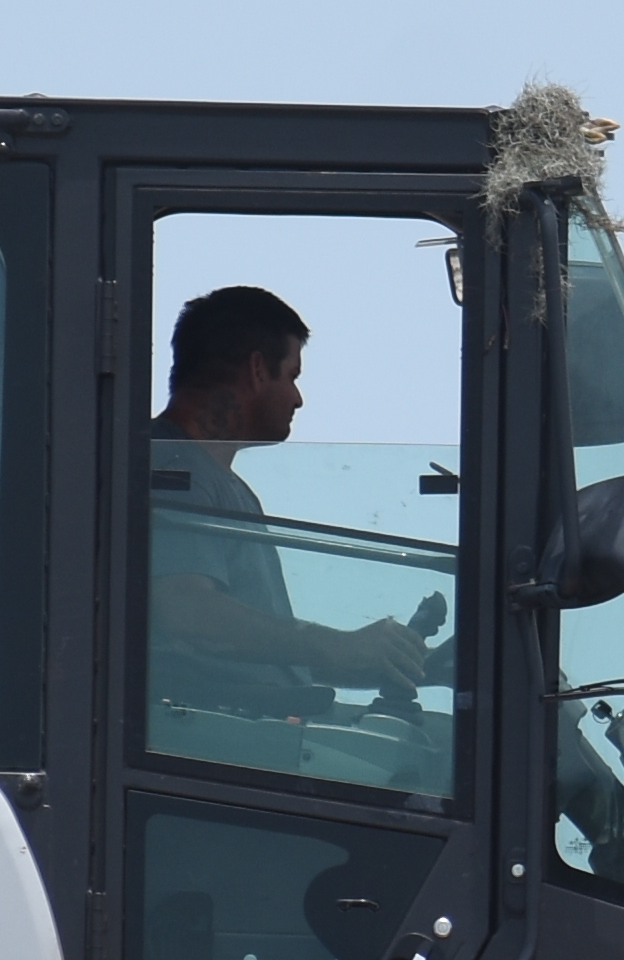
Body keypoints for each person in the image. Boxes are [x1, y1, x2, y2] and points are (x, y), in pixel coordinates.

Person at [143, 282, 449, 732]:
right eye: (292, 376)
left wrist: (409, 662)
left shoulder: (224, 486)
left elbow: (269, 657)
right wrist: (336, 645)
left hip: (246, 728)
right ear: (256, 370)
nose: (298, 398)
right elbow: (189, 614)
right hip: (212, 741)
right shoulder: (170, 469)